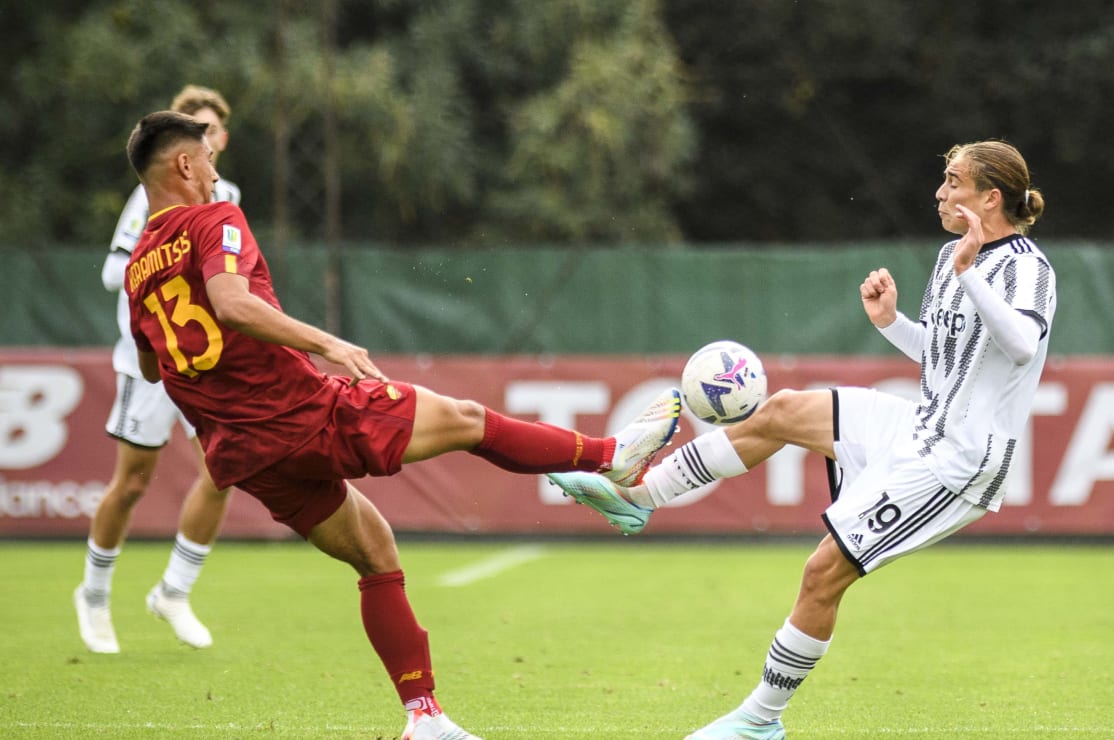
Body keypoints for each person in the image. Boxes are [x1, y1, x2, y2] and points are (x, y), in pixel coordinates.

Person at [118, 109, 682, 740]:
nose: (216, 173)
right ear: (186, 164)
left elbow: (149, 365)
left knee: (376, 554)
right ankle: (614, 456)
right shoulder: (213, 218)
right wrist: (326, 343)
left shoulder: (139, 266)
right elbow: (230, 303)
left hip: (247, 455)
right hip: (302, 411)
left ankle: (424, 717)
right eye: (211, 161)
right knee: (469, 420)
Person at [550, 140, 1056, 739]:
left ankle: (761, 722)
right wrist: (892, 323)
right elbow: (946, 360)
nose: (940, 193)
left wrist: (970, 272)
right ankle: (639, 498)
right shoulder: (953, 255)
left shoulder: (1027, 268)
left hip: (958, 462)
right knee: (785, 409)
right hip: (920, 426)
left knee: (823, 573)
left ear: (989, 197)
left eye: (952, 182)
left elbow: (1023, 346)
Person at [75, 85, 244, 654]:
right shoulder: (150, 198)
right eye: (197, 127)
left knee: (223, 472)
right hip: (146, 362)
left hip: (202, 366)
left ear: (221, 138)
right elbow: (113, 273)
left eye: (214, 128)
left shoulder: (228, 197)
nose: (207, 139)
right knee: (132, 485)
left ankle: (174, 589)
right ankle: (93, 596)